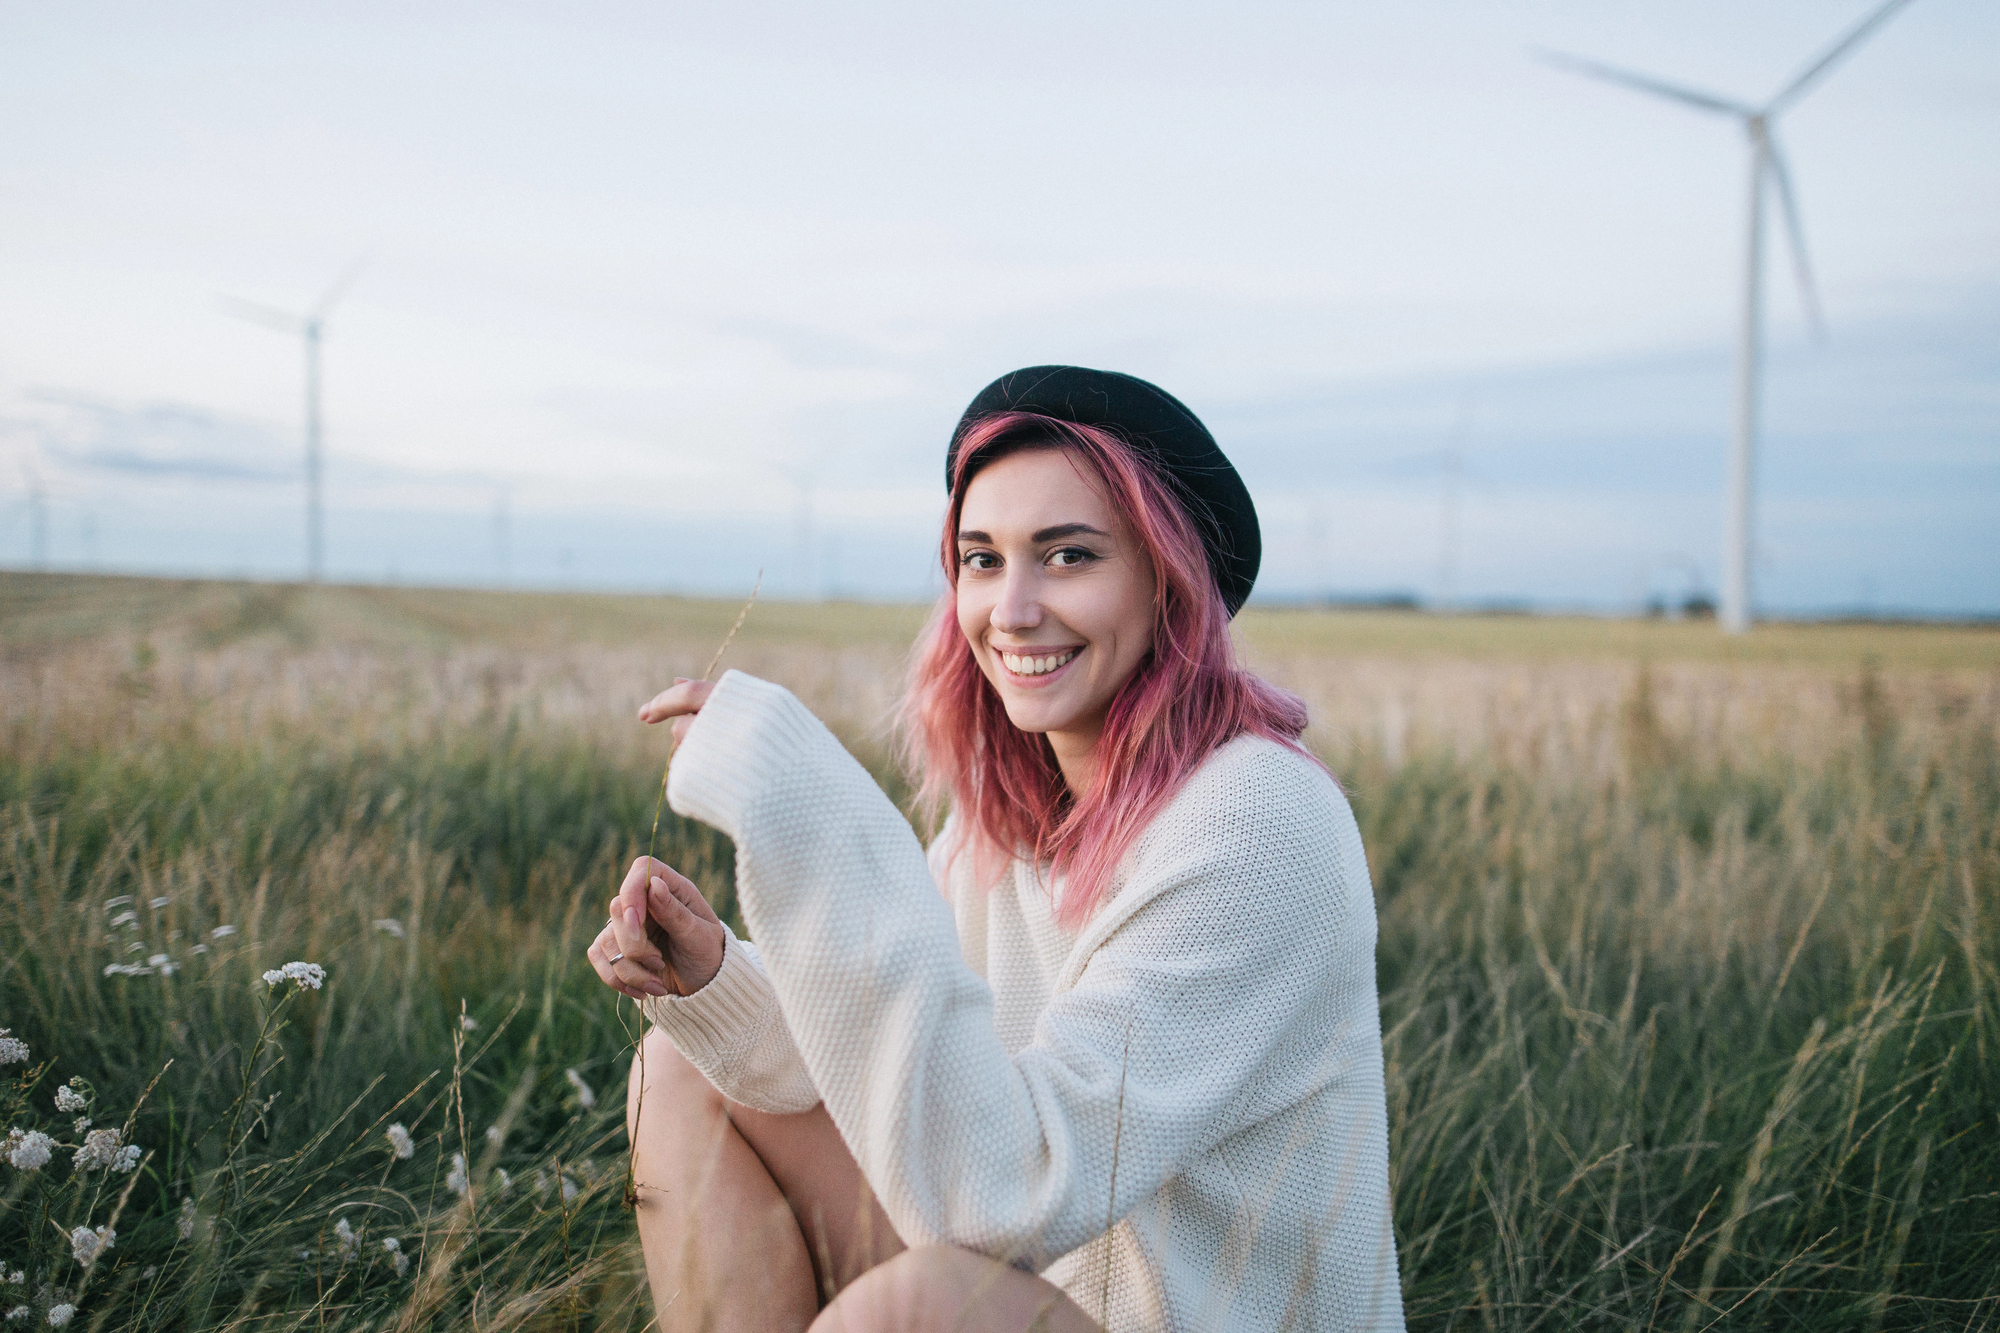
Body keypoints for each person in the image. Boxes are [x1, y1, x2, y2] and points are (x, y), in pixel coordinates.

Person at [587, 366, 1403, 1332]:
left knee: (917, 1302)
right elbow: (902, 1075)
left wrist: (816, 813)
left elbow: (1002, 1191)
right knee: (680, 1071)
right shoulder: (1002, 823)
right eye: (982, 558)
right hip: (1044, 1287)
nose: (1011, 610)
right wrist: (717, 978)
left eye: (1068, 556)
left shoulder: (1257, 824)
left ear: (1169, 578)